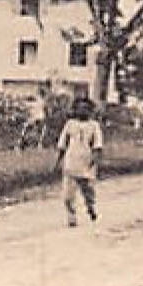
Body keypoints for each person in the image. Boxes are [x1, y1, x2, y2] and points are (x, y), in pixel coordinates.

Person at [54, 97, 104, 227]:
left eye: (86, 109)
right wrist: (57, 161)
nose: (83, 111)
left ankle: (90, 207)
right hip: (71, 163)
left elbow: (97, 145)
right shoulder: (70, 124)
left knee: (88, 190)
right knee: (68, 195)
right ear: (75, 110)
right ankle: (71, 216)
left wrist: (95, 159)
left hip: (86, 163)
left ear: (90, 111)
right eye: (80, 108)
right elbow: (62, 144)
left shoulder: (94, 125)